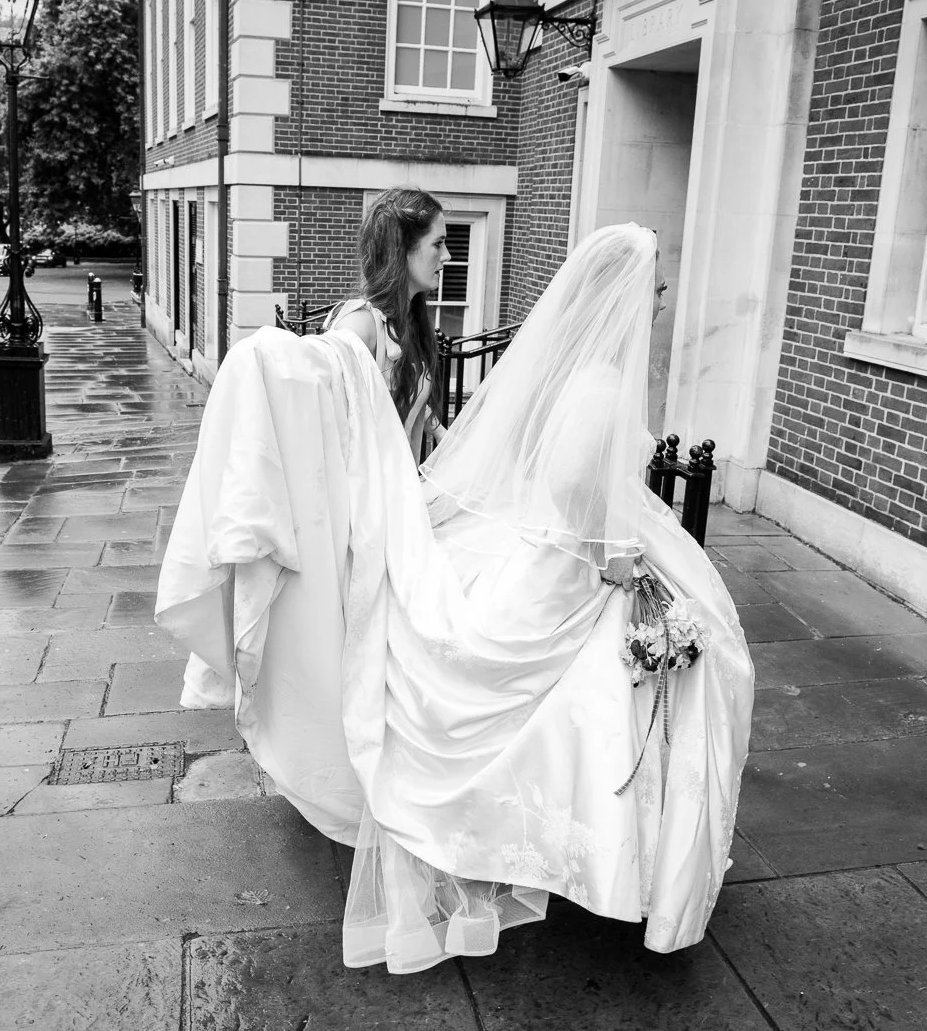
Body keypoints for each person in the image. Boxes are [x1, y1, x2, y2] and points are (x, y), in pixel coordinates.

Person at [157, 223, 753, 974]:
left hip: (561, 554)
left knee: (592, 710)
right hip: (573, 566)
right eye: (657, 283)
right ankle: (596, 855)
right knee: (599, 708)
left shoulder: (587, 372)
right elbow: (572, 484)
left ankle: (603, 855)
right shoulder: (599, 385)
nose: (665, 295)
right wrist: (613, 559)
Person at [321, 186, 450, 458]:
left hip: (404, 492)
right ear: (401, 249)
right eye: (438, 243)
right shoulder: (358, 327)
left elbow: (402, 396)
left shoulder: (409, 320)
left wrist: (443, 434)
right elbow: (331, 429)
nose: (447, 255)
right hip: (371, 497)